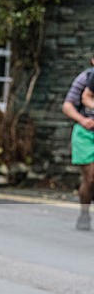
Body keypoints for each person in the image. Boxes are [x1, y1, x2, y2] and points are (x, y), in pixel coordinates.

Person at [61, 54, 94, 230]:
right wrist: (82, 120)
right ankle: (84, 213)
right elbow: (67, 105)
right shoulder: (86, 77)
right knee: (91, 178)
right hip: (86, 134)